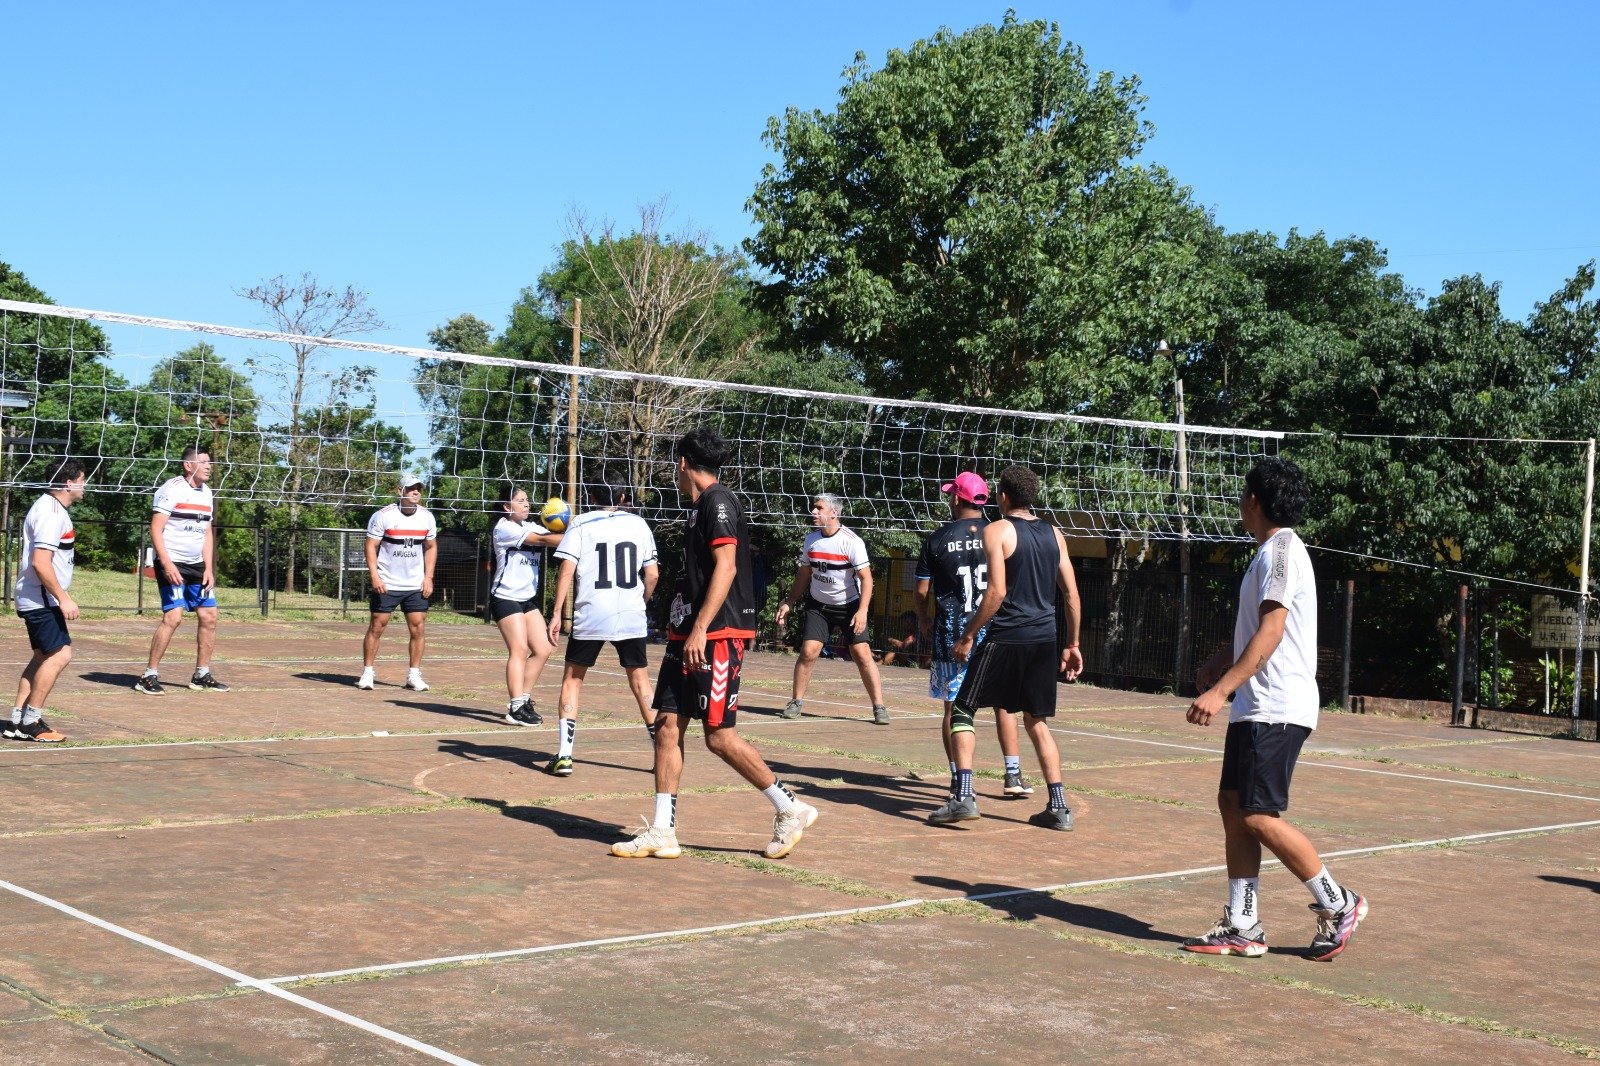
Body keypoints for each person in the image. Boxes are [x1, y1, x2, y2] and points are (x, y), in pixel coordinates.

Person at [1181, 457, 1367, 962]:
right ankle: (1243, 925)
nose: (1240, 503)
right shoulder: (1266, 553)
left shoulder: (1282, 550)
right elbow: (1255, 629)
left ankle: (1340, 902)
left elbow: (1273, 631)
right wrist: (1221, 662)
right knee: (1233, 806)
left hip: (1278, 705)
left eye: (1243, 495)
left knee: (1259, 816)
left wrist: (1221, 690)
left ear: (1255, 501)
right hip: (1256, 706)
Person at [612, 427, 819, 860]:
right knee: (667, 725)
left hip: (717, 635)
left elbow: (726, 567)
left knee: (719, 737)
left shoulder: (718, 502)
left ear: (684, 463)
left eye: (674, 464)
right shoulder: (698, 506)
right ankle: (663, 831)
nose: (673, 472)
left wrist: (703, 628)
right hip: (687, 633)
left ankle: (790, 807)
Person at [930, 465, 1083, 830]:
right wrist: (1073, 644)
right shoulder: (1054, 534)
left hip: (1008, 636)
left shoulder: (997, 530)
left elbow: (996, 593)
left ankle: (964, 797)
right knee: (1036, 721)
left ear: (1002, 497)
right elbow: (1072, 594)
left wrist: (968, 635)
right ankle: (1059, 807)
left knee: (964, 711)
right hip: (1045, 638)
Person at [914, 471, 1033, 800]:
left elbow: (922, 590)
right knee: (1004, 705)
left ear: (956, 499)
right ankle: (1013, 774)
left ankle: (958, 779)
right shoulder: (1001, 533)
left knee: (954, 707)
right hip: (997, 632)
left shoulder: (937, 539)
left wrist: (923, 618)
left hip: (953, 636)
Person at [546, 475, 660, 775]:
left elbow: (566, 571)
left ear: (591, 497)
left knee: (573, 679)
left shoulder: (581, 523)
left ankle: (565, 756)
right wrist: (641, 601)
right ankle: (661, 753)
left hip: (592, 613)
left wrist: (556, 613)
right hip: (629, 614)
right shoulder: (638, 524)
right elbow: (653, 575)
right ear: (623, 498)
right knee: (641, 682)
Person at [775, 494, 890, 725]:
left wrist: (863, 611)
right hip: (819, 605)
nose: (814, 512)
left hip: (849, 606)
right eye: (813, 508)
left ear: (833, 513)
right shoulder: (811, 540)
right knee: (809, 651)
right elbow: (804, 574)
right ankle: (796, 702)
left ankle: (879, 706)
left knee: (862, 654)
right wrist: (789, 601)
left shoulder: (852, 541)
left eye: (819, 508)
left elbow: (867, 579)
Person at [6, 458, 87, 743]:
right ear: (68, 483)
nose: (84, 485)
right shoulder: (52, 512)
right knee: (61, 655)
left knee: (42, 656)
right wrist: (63, 598)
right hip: (41, 599)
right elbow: (41, 563)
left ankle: (16, 720)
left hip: (37, 597)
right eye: (82, 479)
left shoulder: (51, 508)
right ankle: (31, 722)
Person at [135, 446, 228, 694]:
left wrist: (209, 567)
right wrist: (165, 564)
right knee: (173, 617)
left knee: (209, 617)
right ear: (188, 466)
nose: (209, 466)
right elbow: (155, 529)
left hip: (197, 565)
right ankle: (148, 675)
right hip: (172, 561)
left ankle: (201, 675)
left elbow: (208, 532)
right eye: (204, 462)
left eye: (210, 462)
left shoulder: (207, 492)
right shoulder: (172, 489)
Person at [488, 484, 563, 726]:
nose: (527, 504)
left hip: (526, 599)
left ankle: (524, 699)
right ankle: (515, 707)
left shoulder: (530, 524)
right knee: (519, 649)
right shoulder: (504, 528)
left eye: (527, 500)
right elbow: (543, 540)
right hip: (505, 597)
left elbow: (552, 535)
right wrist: (576, 535)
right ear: (507, 507)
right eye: (521, 500)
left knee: (544, 648)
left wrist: (575, 527)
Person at [356, 474, 438, 693]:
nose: (416, 492)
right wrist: (375, 576)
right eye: (411, 488)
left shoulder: (427, 517)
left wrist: (428, 577)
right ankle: (367, 672)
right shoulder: (383, 516)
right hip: (388, 582)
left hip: (414, 584)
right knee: (377, 625)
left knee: (418, 628)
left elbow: (431, 547)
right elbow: (370, 546)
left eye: (419, 488)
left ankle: (414, 675)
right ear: (399, 490)